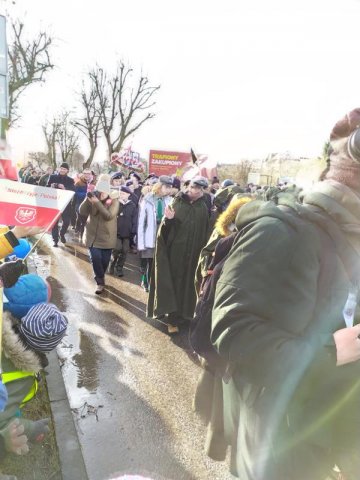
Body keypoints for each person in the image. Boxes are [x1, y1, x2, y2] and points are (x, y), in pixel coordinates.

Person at [210, 108, 360, 479]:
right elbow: (233, 333)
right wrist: (329, 352)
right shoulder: (280, 229)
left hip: (334, 423)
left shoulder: (352, 235)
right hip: (278, 439)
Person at [147, 176, 210, 333]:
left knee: (189, 284)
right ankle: (172, 319)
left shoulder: (203, 206)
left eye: (201, 189)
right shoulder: (177, 203)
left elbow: (205, 230)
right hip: (176, 253)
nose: (198, 191)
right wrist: (169, 220)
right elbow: (165, 231)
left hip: (194, 253)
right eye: (196, 188)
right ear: (189, 187)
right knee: (174, 283)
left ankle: (185, 314)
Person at [79, 174, 119, 294]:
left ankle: (101, 276)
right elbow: (82, 211)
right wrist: (88, 199)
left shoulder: (114, 199)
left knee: (104, 261)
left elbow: (108, 216)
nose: (102, 190)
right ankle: (100, 282)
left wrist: (97, 203)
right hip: (92, 235)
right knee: (96, 258)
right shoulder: (94, 195)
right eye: (100, 185)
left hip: (107, 236)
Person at [137, 176, 173, 292]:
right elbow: (142, 218)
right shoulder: (148, 198)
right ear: (159, 186)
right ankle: (146, 282)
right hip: (149, 232)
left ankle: (153, 283)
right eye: (166, 187)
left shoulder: (170, 200)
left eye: (170, 187)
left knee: (159, 261)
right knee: (149, 260)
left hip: (162, 233)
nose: (168, 189)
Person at [109, 186, 137, 277]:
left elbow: (135, 219)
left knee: (125, 251)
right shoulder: (116, 203)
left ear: (128, 195)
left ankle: (119, 268)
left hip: (127, 233)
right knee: (117, 249)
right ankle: (112, 265)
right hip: (116, 232)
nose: (121, 195)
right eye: (120, 193)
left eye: (124, 194)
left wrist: (133, 231)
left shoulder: (132, 205)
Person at [47, 163, 75, 247]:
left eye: (65, 169)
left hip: (66, 204)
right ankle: (55, 240)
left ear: (67, 170)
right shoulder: (53, 177)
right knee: (54, 222)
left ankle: (62, 233)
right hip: (54, 203)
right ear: (59, 169)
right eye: (61, 168)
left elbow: (73, 190)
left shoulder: (70, 180)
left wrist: (64, 188)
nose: (62, 170)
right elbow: (46, 187)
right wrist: (52, 186)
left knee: (66, 221)